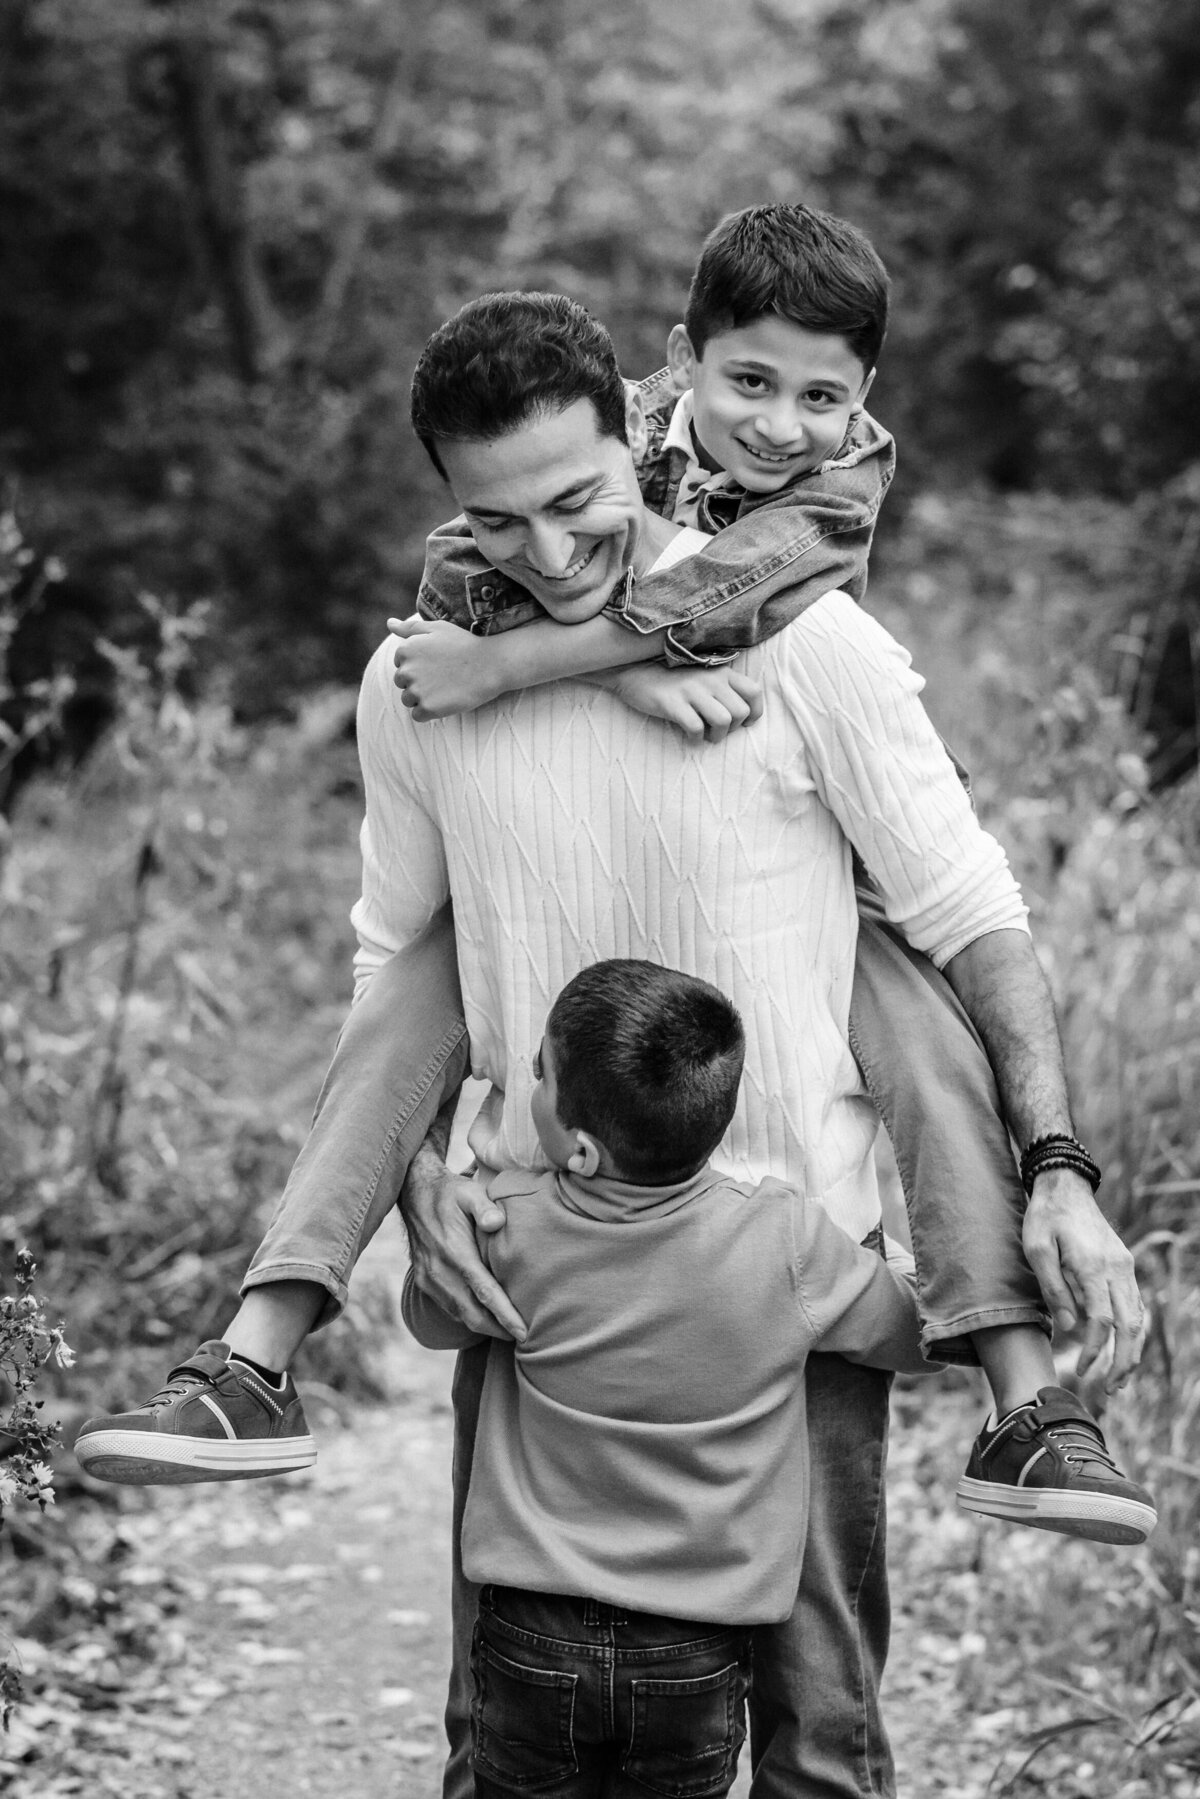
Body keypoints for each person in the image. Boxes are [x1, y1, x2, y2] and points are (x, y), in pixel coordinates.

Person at [76, 287, 1151, 1798]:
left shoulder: (815, 649)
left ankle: (1029, 1402)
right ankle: (251, 1363)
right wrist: (417, 1181)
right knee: (503, 1750)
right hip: (542, 1279)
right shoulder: (423, 683)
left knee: (820, 1746)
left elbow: (973, 918)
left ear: (635, 445)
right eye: (497, 522)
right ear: (450, 507)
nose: (549, 547)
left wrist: (1058, 1169)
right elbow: (402, 955)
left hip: (785, 1270)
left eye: (578, 500)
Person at [402, 957, 938, 1799]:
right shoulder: (786, 1243)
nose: (529, 1085)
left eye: (538, 1075)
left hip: (530, 1639)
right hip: (694, 1649)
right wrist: (898, 1256)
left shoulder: (512, 1226)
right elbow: (912, 1332)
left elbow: (429, 1314)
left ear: (578, 1148)